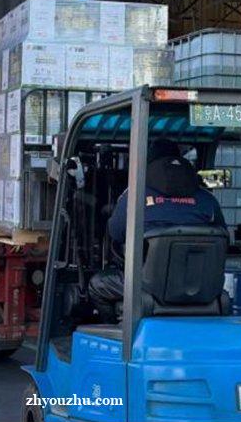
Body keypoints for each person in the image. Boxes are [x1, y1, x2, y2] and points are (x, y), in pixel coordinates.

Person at [88, 138, 226, 322]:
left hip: (149, 287)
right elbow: (224, 240)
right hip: (203, 288)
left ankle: (119, 332)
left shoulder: (135, 194)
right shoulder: (208, 200)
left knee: (97, 285)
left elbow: (115, 233)